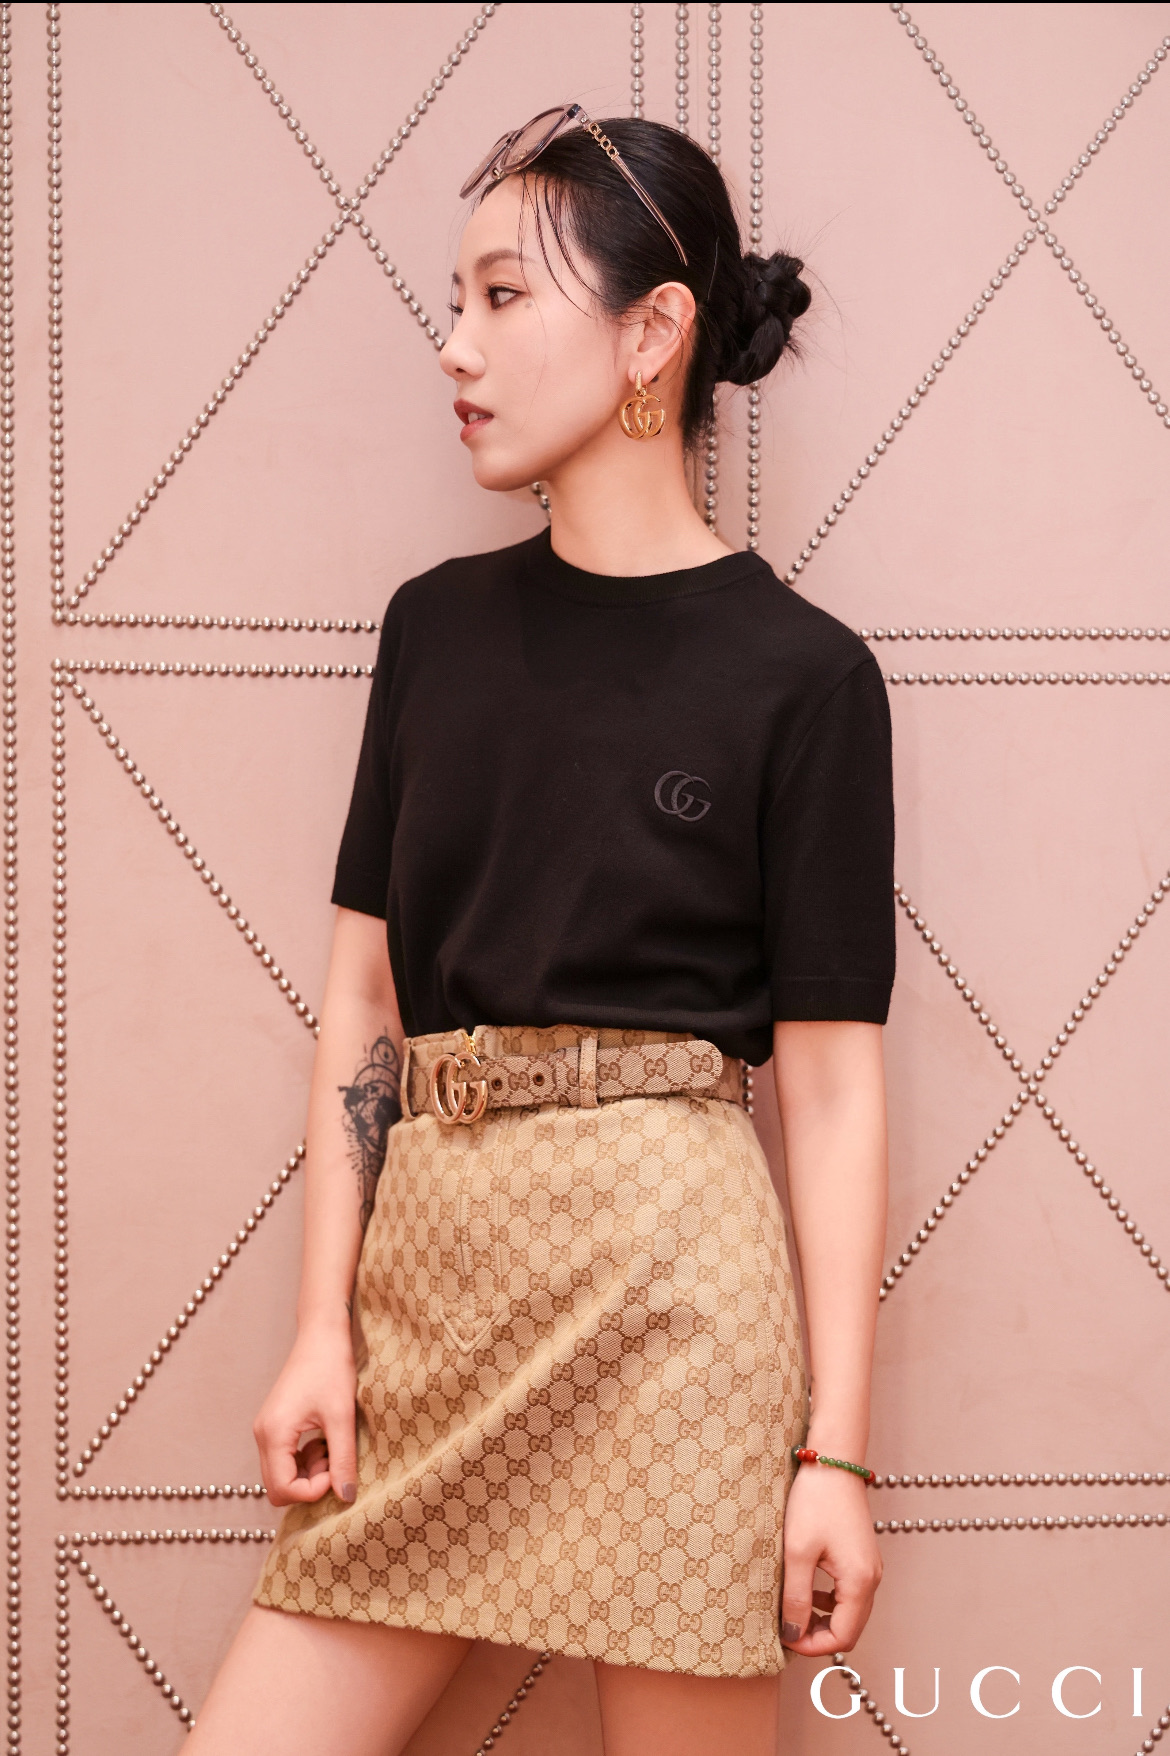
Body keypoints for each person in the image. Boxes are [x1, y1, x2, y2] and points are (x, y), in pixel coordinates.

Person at [186, 108, 893, 1756]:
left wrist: (834, 1456)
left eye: (503, 296)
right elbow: (365, 1002)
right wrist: (322, 1329)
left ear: (654, 334)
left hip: (672, 1312)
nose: (455, 345)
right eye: (458, 300)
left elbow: (832, 1093)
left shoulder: (803, 677)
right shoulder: (433, 631)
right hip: (429, 1297)